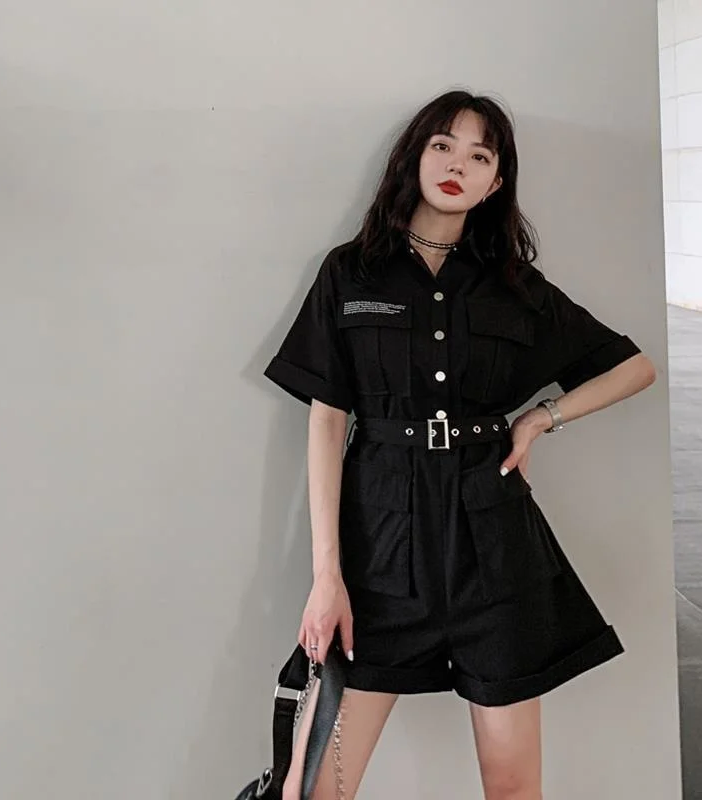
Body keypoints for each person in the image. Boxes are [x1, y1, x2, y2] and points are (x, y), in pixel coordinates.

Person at [263, 89, 656, 800]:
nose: (457, 166)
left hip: (494, 547)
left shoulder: (513, 286)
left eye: (479, 156)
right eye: (443, 145)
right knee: (315, 790)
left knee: (512, 789)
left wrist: (540, 418)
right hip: (380, 546)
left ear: (496, 182)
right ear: (414, 156)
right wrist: (327, 578)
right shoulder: (351, 272)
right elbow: (326, 421)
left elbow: (634, 368)